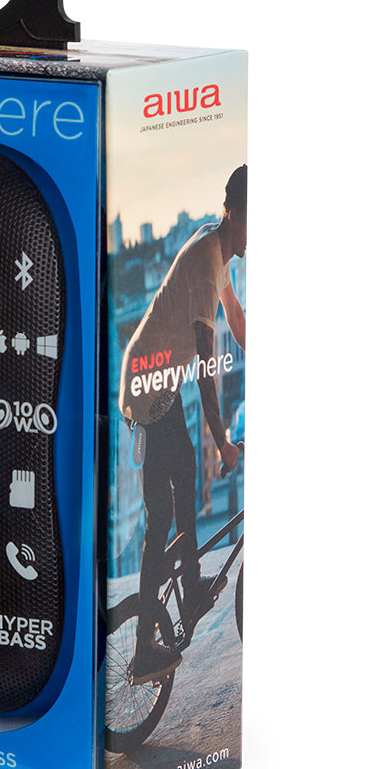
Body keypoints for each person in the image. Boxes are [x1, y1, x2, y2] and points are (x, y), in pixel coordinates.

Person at [118, 165, 247, 685]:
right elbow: (206, 371)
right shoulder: (206, 262)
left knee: (186, 480)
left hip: (157, 386)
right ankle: (145, 647)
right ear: (234, 212)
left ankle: (189, 587)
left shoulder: (219, 250)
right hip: (148, 391)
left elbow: (236, 316)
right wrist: (225, 443)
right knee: (159, 520)